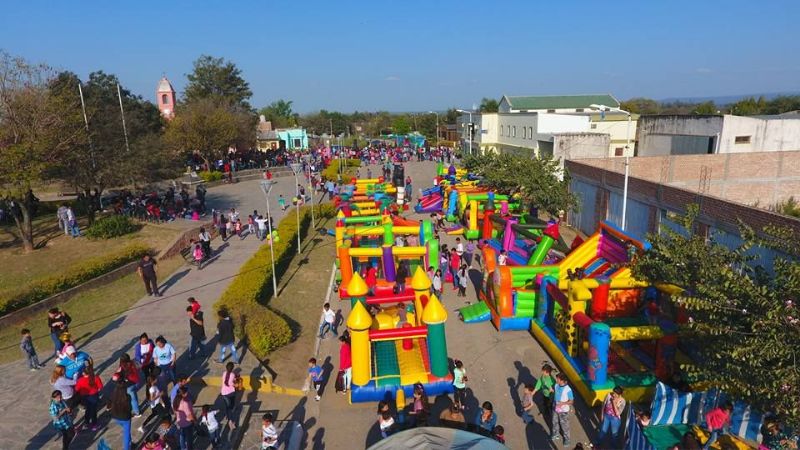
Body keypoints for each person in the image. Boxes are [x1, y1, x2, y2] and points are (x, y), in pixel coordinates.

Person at [75, 361, 103, 431]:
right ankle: (94, 425)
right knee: (93, 410)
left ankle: (86, 423)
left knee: (88, 410)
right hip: (94, 396)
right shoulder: (96, 378)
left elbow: (76, 389)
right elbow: (100, 387)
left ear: (84, 373)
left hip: (84, 397)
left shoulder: (80, 380)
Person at [108, 379, 134, 450]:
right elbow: (129, 408)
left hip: (115, 417)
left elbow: (109, 404)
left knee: (127, 432)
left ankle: (130, 442)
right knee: (126, 434)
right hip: (125, 418)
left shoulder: (113, 395)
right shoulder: (127, 397)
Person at [552, 372, 574, 447]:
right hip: (555, 407)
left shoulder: (568, 390)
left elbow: (571, 401)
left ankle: (567, 439)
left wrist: (563, 403)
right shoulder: (556, 385)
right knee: (554, 421)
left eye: (557, 379)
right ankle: (556, 434)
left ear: (562, 380)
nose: (556, 380)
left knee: (564, 425)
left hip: (563, 411)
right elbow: (556, 393)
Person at [116, 353, 142, 417]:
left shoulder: (122, 366)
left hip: (129, 384)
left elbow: (117, 374)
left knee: (132, 399)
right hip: (137, 381)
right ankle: (137, 411)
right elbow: (140, 367)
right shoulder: (134, 362)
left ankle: (136, 412)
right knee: (134, 397)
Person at [173, 386, 196, 450]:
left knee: (182, 435)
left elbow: (175, 412)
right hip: (187, 423)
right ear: (184, 393)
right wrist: (195, 421)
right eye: (186, 392)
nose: (187, 393)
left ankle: (183, 447)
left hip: (180, 422)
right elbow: (189, 416)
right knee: (189, 438)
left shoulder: (175, 400)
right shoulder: (185, 403)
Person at [220, 362, 240, 430]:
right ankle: (230, 422)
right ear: (232, 368)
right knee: (230, 407)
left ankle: (227, 416)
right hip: (231, 392)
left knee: (227, 406)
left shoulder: (224, 373)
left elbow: (228, 380)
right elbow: (233, 384)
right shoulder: (232, 374)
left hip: (224, 393)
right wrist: (236, 383)